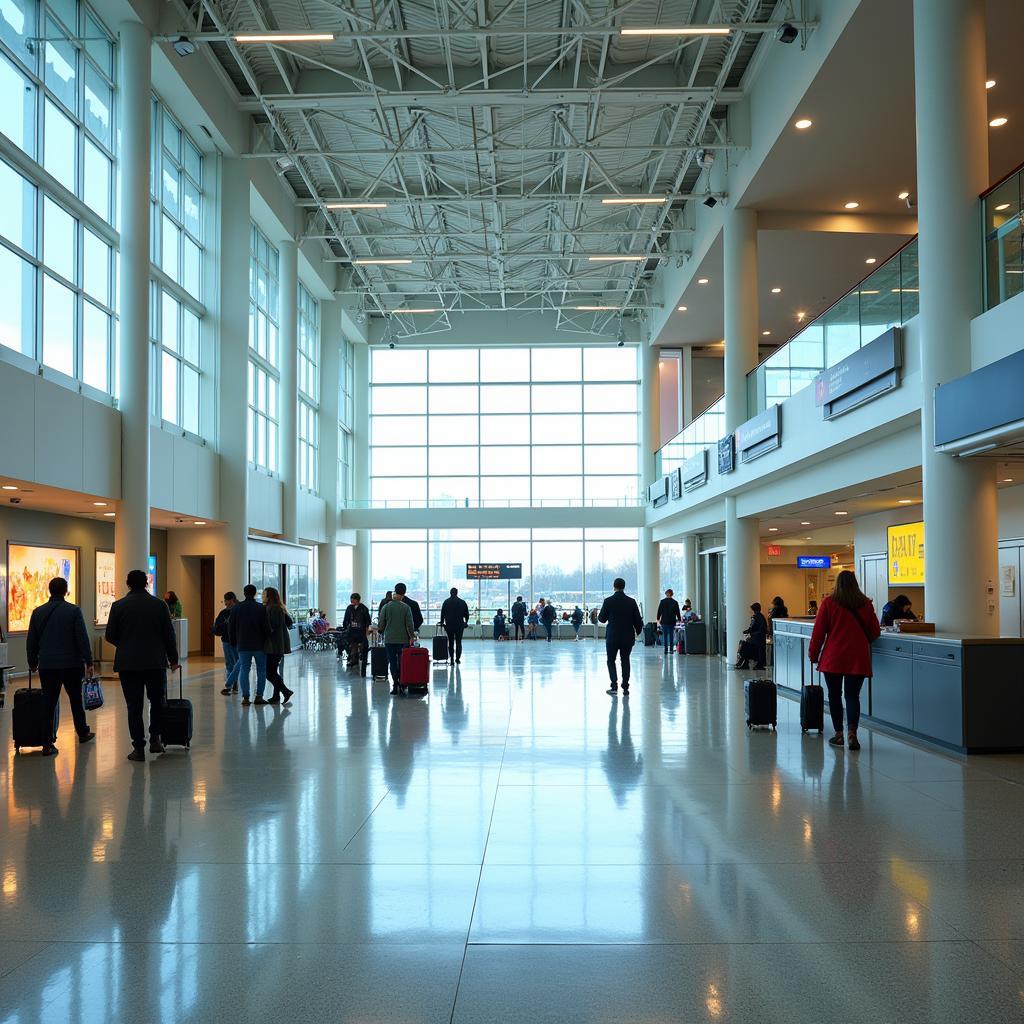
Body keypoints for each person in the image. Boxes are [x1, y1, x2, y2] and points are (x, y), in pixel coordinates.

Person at [105, 569, 179, 762]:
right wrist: (173, 659)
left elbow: (110, 635)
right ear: (146, 583)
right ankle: (155, 738)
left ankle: (138, 747)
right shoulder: (159, 605)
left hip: (128, 664)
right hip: (154, 662)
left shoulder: (118, 606)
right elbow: (169, 635)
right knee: (157, 701)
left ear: (127, 584)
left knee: (134, 706)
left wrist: (126, 644)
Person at [808, 570, 881, 751]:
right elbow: (875, 632)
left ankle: (839, 734)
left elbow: (819, 632)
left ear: (837, 584)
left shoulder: (829, 603)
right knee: (852, 696)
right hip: (857, 658)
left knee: (834, 696)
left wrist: (813, 654)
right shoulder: (865, 604)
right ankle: (852, 734)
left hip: (834, 658)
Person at [25, 577, 96, 754]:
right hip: (72, 664)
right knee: (75, 700)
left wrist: (32, 661)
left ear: (50, 590)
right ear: (66, 591)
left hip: (48, 665)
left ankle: (47, 742)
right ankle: (82, 732)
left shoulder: (38, 612)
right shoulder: (73, 611)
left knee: (48, 702)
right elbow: (82, 638)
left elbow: (31, 640)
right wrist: (89, 660)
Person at [599, 578, 643, 696]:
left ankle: (614, 686)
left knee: (611, 661)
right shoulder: (631, 602)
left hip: (612, 637)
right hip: (627, 637)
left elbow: (601, 619)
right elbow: (638, 621)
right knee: (625, 660)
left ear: (614, 587)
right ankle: (625, 687)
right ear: (624, 587)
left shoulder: (608, 601)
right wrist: (637, 632)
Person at [228, 584, 271, 706]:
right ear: (255, 593)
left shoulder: (237, 608)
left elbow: (230, 627)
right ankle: (259, 696)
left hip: (243, 645)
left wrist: (233, 642)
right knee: (261, 671)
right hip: (260, 645)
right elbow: (266, 627)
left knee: (244, 670)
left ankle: (245, 698)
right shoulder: (261, 608)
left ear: (244, 593)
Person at [379, 585, 415, 695]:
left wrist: (382, 631)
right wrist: (412, 637)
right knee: (402, 662)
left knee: (392, 662)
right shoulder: (406, 607)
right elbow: (409, 624)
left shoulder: (386, 607)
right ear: (404, 593)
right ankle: (402, 683)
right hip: (403, 640)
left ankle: (395, 684)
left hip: (389, 639)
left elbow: (381, 623)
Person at [262, 587, 295, 705]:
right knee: (273, 671)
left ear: (269, 596)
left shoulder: (273, 609)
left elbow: (272, 626)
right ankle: (276, 696)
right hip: (276, 645)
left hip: (274, 646)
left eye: (264, 594)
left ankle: (286, 691)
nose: (262, 596)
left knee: (269, 673)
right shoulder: (278, 608)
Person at [213, 591, 239, 696]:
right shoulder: (223, 613)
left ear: (232, 600)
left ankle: (235, 682)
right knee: (229, 663)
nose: (226, 603)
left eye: (227, 601)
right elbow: (217, 626)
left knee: (237, 663)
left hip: (237, 641)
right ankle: (231, 683)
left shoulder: (238, 611)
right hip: (226, 641)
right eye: (225, 601)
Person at [341, 592, 372, 671]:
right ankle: (353, 658)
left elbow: (368, 621)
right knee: (347, 643)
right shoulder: (349, 608)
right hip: (352, 631)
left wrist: (367, 631)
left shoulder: (364, 608)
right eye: (351, 598)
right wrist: (345, 627)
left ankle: (362, 660)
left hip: (361, 631)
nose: (351, 600)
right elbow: (346, 620)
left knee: (364, 646)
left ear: (357, 600)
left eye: (353, 599)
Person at [734, 602, 769, 671]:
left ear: (753, 610)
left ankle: (744, 662)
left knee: (745, 644)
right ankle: (744, 662)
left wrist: (748, 632)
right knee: (747, 644)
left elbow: (751, 628)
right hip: (760, 639)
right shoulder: (762, 617)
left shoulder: (755, 617)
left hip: (756, 639)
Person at [440, 586, 470, 664]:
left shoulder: (446, 602)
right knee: (459, 642)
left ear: (450, 593)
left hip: (449, 625)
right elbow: (467, 614)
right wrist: (466, 622)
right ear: (457, 593)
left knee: (451, 642)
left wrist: (442, 622)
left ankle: (452, 660)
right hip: (459, 625)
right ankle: (457, 659)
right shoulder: (462, 602)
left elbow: (442, 614)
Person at [656, 588, 681, 655]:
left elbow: (659, 611)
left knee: (665, 636)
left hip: (664, 621)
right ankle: (671, 650)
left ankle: (666, 650)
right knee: (671, 635)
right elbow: (677, 612)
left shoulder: (662, 601)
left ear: (666, 593)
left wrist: (658, 618)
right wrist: (679, 619)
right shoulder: (675, 602)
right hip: (672, 621)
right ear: (672, 594)